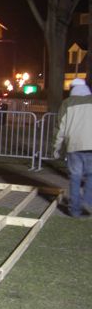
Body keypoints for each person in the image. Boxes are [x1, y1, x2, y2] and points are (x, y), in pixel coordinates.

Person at [53, 77, 92, 218]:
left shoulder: (67, 104)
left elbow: (60, 129)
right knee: (91, 176)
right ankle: (88, 201)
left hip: (74, 146)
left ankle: (75, 210)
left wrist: (56, 148)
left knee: (75, 178)